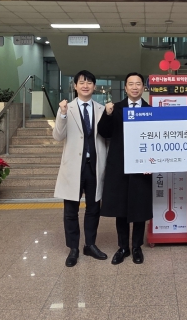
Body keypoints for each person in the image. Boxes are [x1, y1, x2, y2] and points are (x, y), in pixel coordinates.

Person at [53, 70, 109, 268]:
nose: (86, 86)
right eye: (82, 82)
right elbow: (58, 136)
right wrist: (62, 114)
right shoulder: (66, 108)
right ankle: (73, 248)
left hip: (94, 166)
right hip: (73, 167)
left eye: (89, 82)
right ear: (75, 86)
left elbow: (107, 137)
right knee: (71, 210)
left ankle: (90, 245)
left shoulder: (101, 109)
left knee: (93, 208)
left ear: (94, 86)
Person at [98, 72, 152, 265]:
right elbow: (104, 132)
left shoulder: (150, 110)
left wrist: (152, 163)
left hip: (142, 167)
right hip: (119, 166)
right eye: (131, 84)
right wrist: (107, 114)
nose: (135, 87)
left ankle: (137, 247)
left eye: (138, 84)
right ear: (125, 88)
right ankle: (123, 247)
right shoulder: (116, 108)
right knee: (120, 208)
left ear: (143, 87)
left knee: (139, 207)